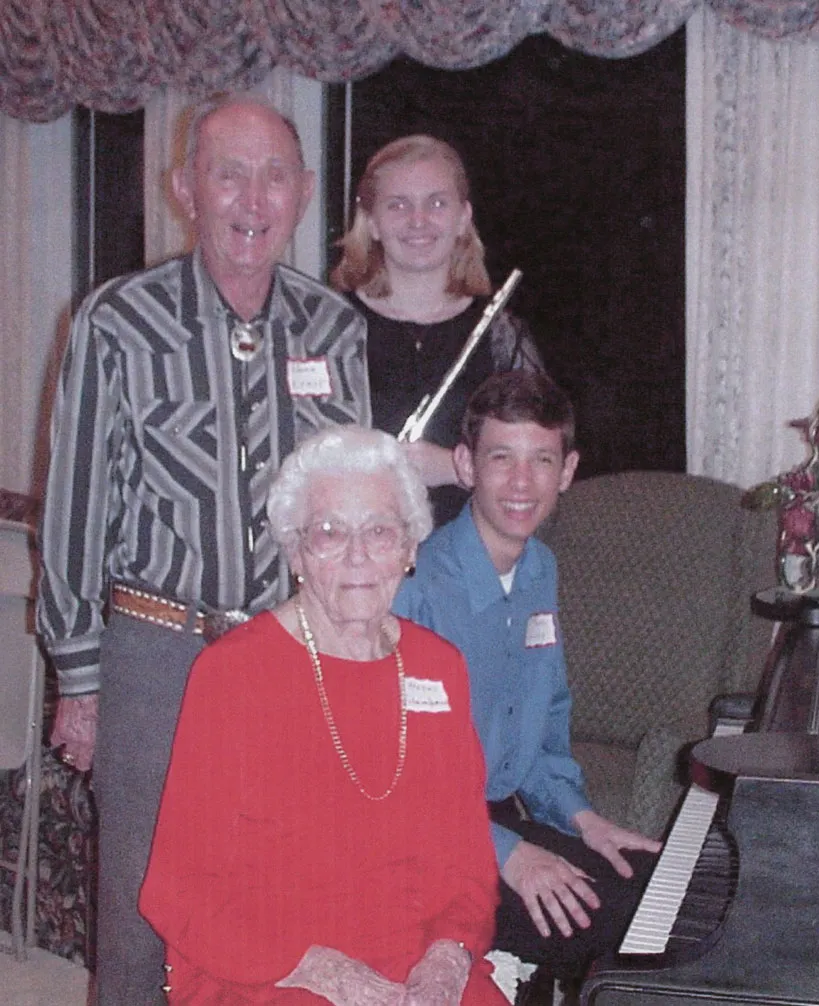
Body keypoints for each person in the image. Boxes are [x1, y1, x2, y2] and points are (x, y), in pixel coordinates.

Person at [36, 93, 369, 1004]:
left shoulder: (335, 330)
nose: (251, 199)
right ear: (187, 188)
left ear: (303, 194)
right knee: (145, 904)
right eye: (229, 173)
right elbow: (76, 508)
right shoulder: (117, 322)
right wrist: (79, 680)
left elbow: (350, 508)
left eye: (273, 177)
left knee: (283, 896)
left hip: (289, 653)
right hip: (158, 656)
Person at [139, 425, 505, 1005]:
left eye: (381, 531)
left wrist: (446, 959)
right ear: (295, 550)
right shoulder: (232, 675)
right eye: (330, 532)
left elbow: (468, 864)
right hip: (272, 968)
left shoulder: (440, 667)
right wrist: (330, 974)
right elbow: (176, 890)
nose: (358, 555)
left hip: (418, 966)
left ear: (411, 547)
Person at [394, 371, 661, 983]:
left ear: (567, 471)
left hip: (494, 818)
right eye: (500, 458)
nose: (521, 483)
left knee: (657, 889)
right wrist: (509, 856)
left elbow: (542, 734)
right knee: (632, 925)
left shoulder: (539, 567)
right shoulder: (417, 589)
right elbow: (400, 780)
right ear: (465, 465)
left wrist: (583, 821)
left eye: (541, 460)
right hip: (423, 844)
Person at [331, 134, 542, 525]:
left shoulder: (501, 335)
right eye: (398, 205)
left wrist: (452, 467)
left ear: (463, 218)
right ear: (372, 222)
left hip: (471, 556)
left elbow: (537, 469)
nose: (418, 221)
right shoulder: (330, 325)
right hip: (356, 553)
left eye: (437, 203)